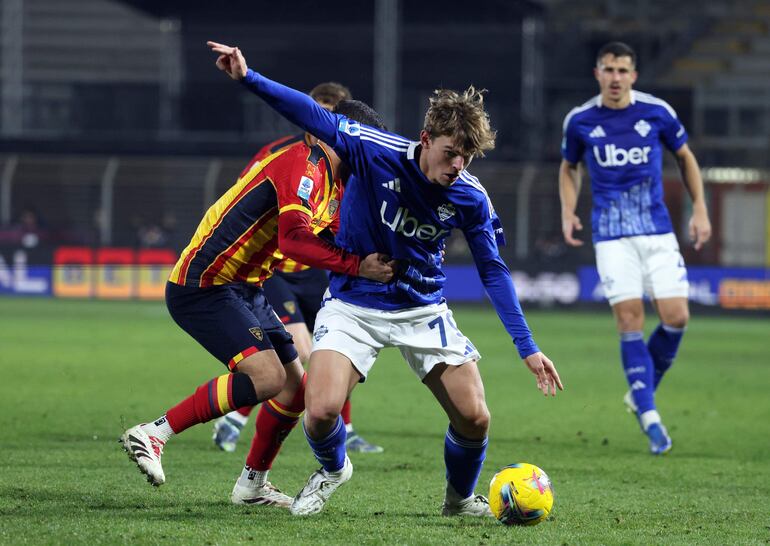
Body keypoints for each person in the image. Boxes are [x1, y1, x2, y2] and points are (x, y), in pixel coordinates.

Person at [208, 41, 563, 517]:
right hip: (355, 303)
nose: (458, 166)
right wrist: (249, 78)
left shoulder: (471, 197)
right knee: (319, 411)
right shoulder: (375, 151)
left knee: (476, 417)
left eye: (468, 157)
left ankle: (458, 500)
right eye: (451, 153)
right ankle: (333, 468)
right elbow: (313, 114)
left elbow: (493, 271)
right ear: (426, 139)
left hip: (422, 308)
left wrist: (528, 347)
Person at [119, 100, 396, 506]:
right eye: (365, 144)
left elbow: (346, 236)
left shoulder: (338, 185)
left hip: (247, 287)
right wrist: (358, 266)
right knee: (267, 378)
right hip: (205, 282)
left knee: (295, 390)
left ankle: (252, 485)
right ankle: (153, 433)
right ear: (345, 138)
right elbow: (295, 239)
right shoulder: (303, 165)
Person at [213, 82, 384, 455]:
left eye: (328, 114)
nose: (318, 122)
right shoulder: (282, 155)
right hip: (276, 270)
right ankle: (237, 418)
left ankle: (342, 427)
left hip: (315, 269)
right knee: (301, 353)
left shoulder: (344, 168)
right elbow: (245, 197)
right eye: (315, 111)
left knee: (329, 349)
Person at [559, 42, 712, 454]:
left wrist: (700, 210)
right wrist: (568, 211)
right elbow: (568, 167)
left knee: (676, 316)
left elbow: (686, 157)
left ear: (633, 75)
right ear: (597, 73)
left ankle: (640, 391)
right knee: (630, 318)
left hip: (657, 232)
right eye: (608, 69)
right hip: (611, 235)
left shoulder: (656, 112)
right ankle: (649, 414)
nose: (615, 78)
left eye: (623, 70)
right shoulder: (581, 120)